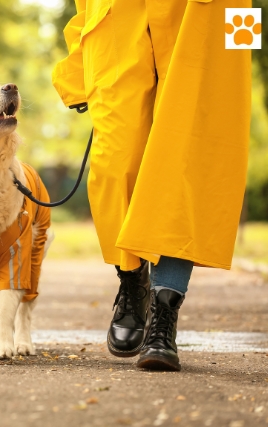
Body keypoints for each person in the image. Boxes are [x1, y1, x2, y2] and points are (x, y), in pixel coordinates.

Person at [52, 0, 251, 371]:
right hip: (116, 24)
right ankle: (131, 279)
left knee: (185, 167)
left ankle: (164, 315)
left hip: (207, 16)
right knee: (114, 163)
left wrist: (242, 41)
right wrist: (77, 66)